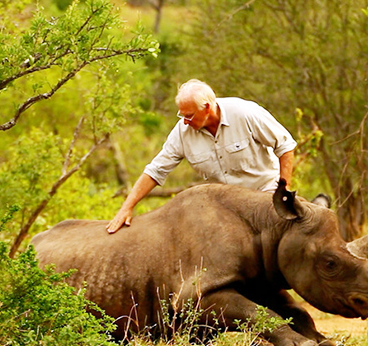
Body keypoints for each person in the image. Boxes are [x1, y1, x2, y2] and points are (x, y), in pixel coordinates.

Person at [107, 79, 297, 233]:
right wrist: (127, 207)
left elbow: (285, 146)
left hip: (265, 197)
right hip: (227, 210)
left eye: (189, 115)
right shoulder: (182, 131)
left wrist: (284, 189)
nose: (185, 121)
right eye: (181, 116)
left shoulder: (245, 113)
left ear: (207, 107)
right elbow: (156, 170)